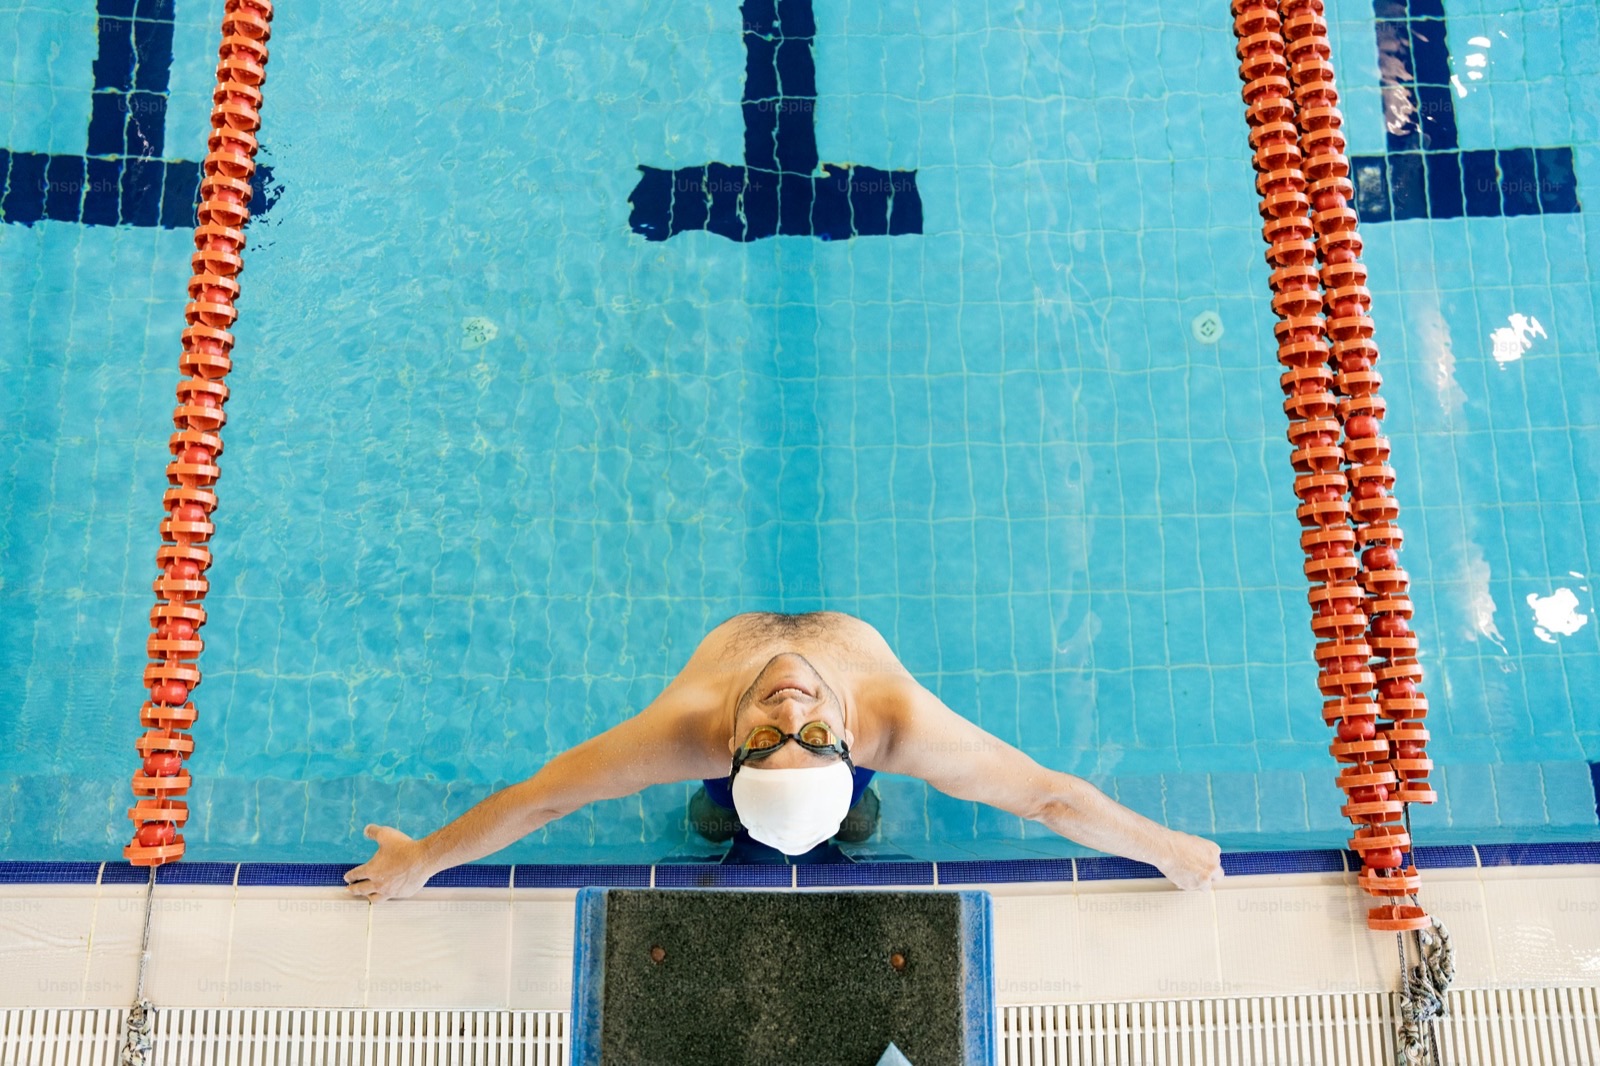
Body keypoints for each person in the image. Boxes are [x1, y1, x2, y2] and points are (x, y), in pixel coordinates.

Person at [344, 611, 1224, 901]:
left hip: (764, 783)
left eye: (776, 740)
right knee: (826, 818)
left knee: (712, 816)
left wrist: (424, 859)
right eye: (794, 736)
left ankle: (770, 818)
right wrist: (1171, 849)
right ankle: (818, 818)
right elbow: (1044, 799)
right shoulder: (888, 718)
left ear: (731, 749)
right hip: (810, 778)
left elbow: (545, 800)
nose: (792, 707)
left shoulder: (692, 727)